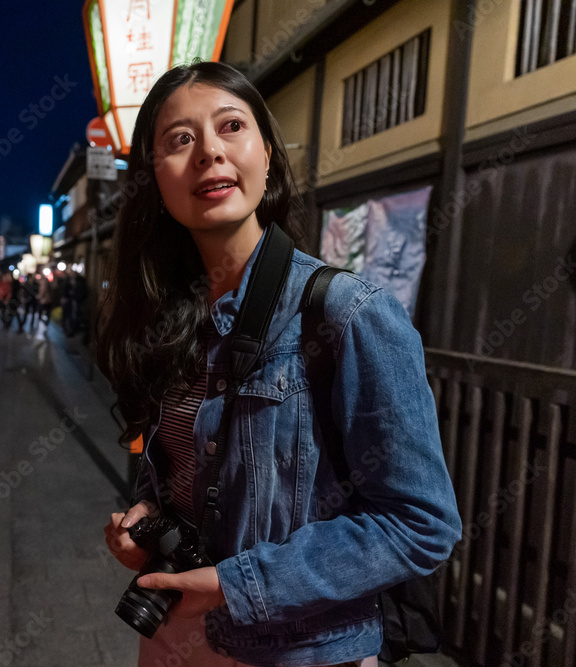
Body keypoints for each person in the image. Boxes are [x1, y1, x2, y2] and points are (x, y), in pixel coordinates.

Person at [97, 62, 461, 667]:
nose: (209, 151)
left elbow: (420, 522)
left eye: (230, 126)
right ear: (153, 180)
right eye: (179, 140)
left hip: (298, 651)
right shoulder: (169, 316)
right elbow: (182, 468)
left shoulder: (346, 312)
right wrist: (149, 519)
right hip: (172, 635)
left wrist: (237, 586)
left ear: (265, 154)